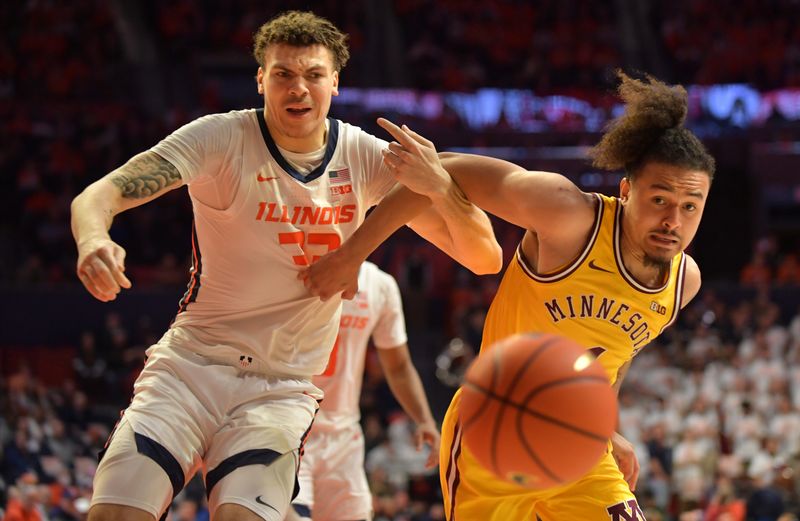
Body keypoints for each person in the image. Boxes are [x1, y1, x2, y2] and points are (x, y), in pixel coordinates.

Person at [70, 10, 499, 521]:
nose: (299, 89)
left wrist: (440, 188)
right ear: (261, 79)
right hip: (190, 369)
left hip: (280, 390)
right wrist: (94, 239)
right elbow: (102, 192)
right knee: (115, 515)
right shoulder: (219, 138)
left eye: (314, 75)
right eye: (283, 75)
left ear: (334, 82)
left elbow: (483, 256)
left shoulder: (364, 156)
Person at [304, 71, 716, 520]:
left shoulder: (683, 282)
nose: (674, 220)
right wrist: (353, 255)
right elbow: (442, 171)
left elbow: (616, 349)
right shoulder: (569, 216)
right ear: (626, 189)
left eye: (690, 206)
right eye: (660, 200)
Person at [286, 261, 439, 521]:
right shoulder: (296, 268)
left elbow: (399, 366)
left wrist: (424, 419)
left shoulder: (379, 284)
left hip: (344, 435)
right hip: (291, 428)